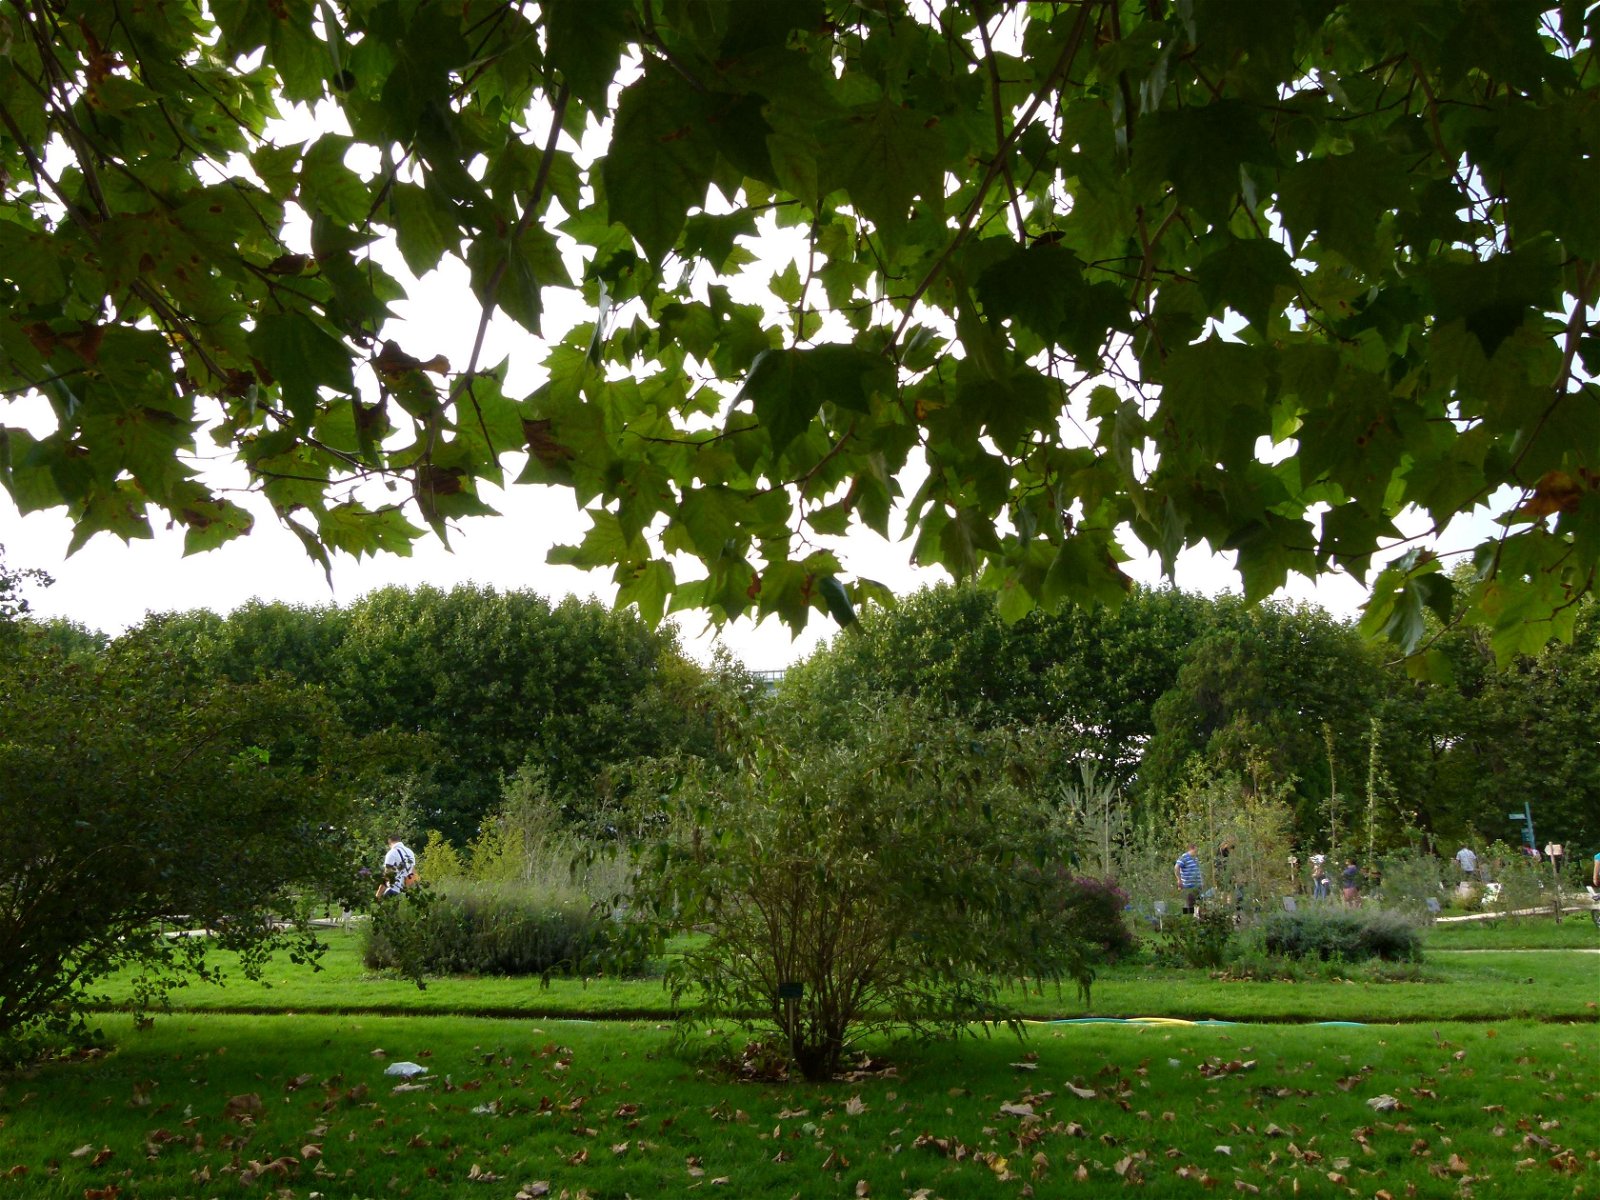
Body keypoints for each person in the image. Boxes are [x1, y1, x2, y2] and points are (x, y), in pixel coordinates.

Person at [377, 835, 417, 899]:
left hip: (393, 890)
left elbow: (387, 876)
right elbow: (413, 873)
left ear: (389, 844)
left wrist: (378, 894)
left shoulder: (392, 853)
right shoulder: (410, 852)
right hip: (405, 892)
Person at [1174, 843, 1202, 915]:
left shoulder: (1195, 858)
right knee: (1189, 905)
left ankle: (1196, 919)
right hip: (1189, 886)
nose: (1197, 851)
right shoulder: (1184, 857)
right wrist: (1179, 880)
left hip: (1198, 886)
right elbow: (1176, 867)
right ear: (1192, 848)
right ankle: (1187, 919)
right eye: (1196, 849)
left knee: (1199, 904)